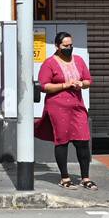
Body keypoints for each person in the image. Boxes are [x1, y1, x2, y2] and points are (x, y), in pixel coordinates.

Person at [36, 31, 94, 188]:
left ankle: (85, 178)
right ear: (57, 46)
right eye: (65, 46)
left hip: (77, 106)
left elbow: (89, 80)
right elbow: (44, 86)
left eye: (71, 45)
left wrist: (82, 84)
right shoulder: (49, 63)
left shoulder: (79, 61)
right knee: (62, 141)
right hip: (58, 108)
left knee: (83, 140)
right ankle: (65, 177)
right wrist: (65, 85)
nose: (69, 48)